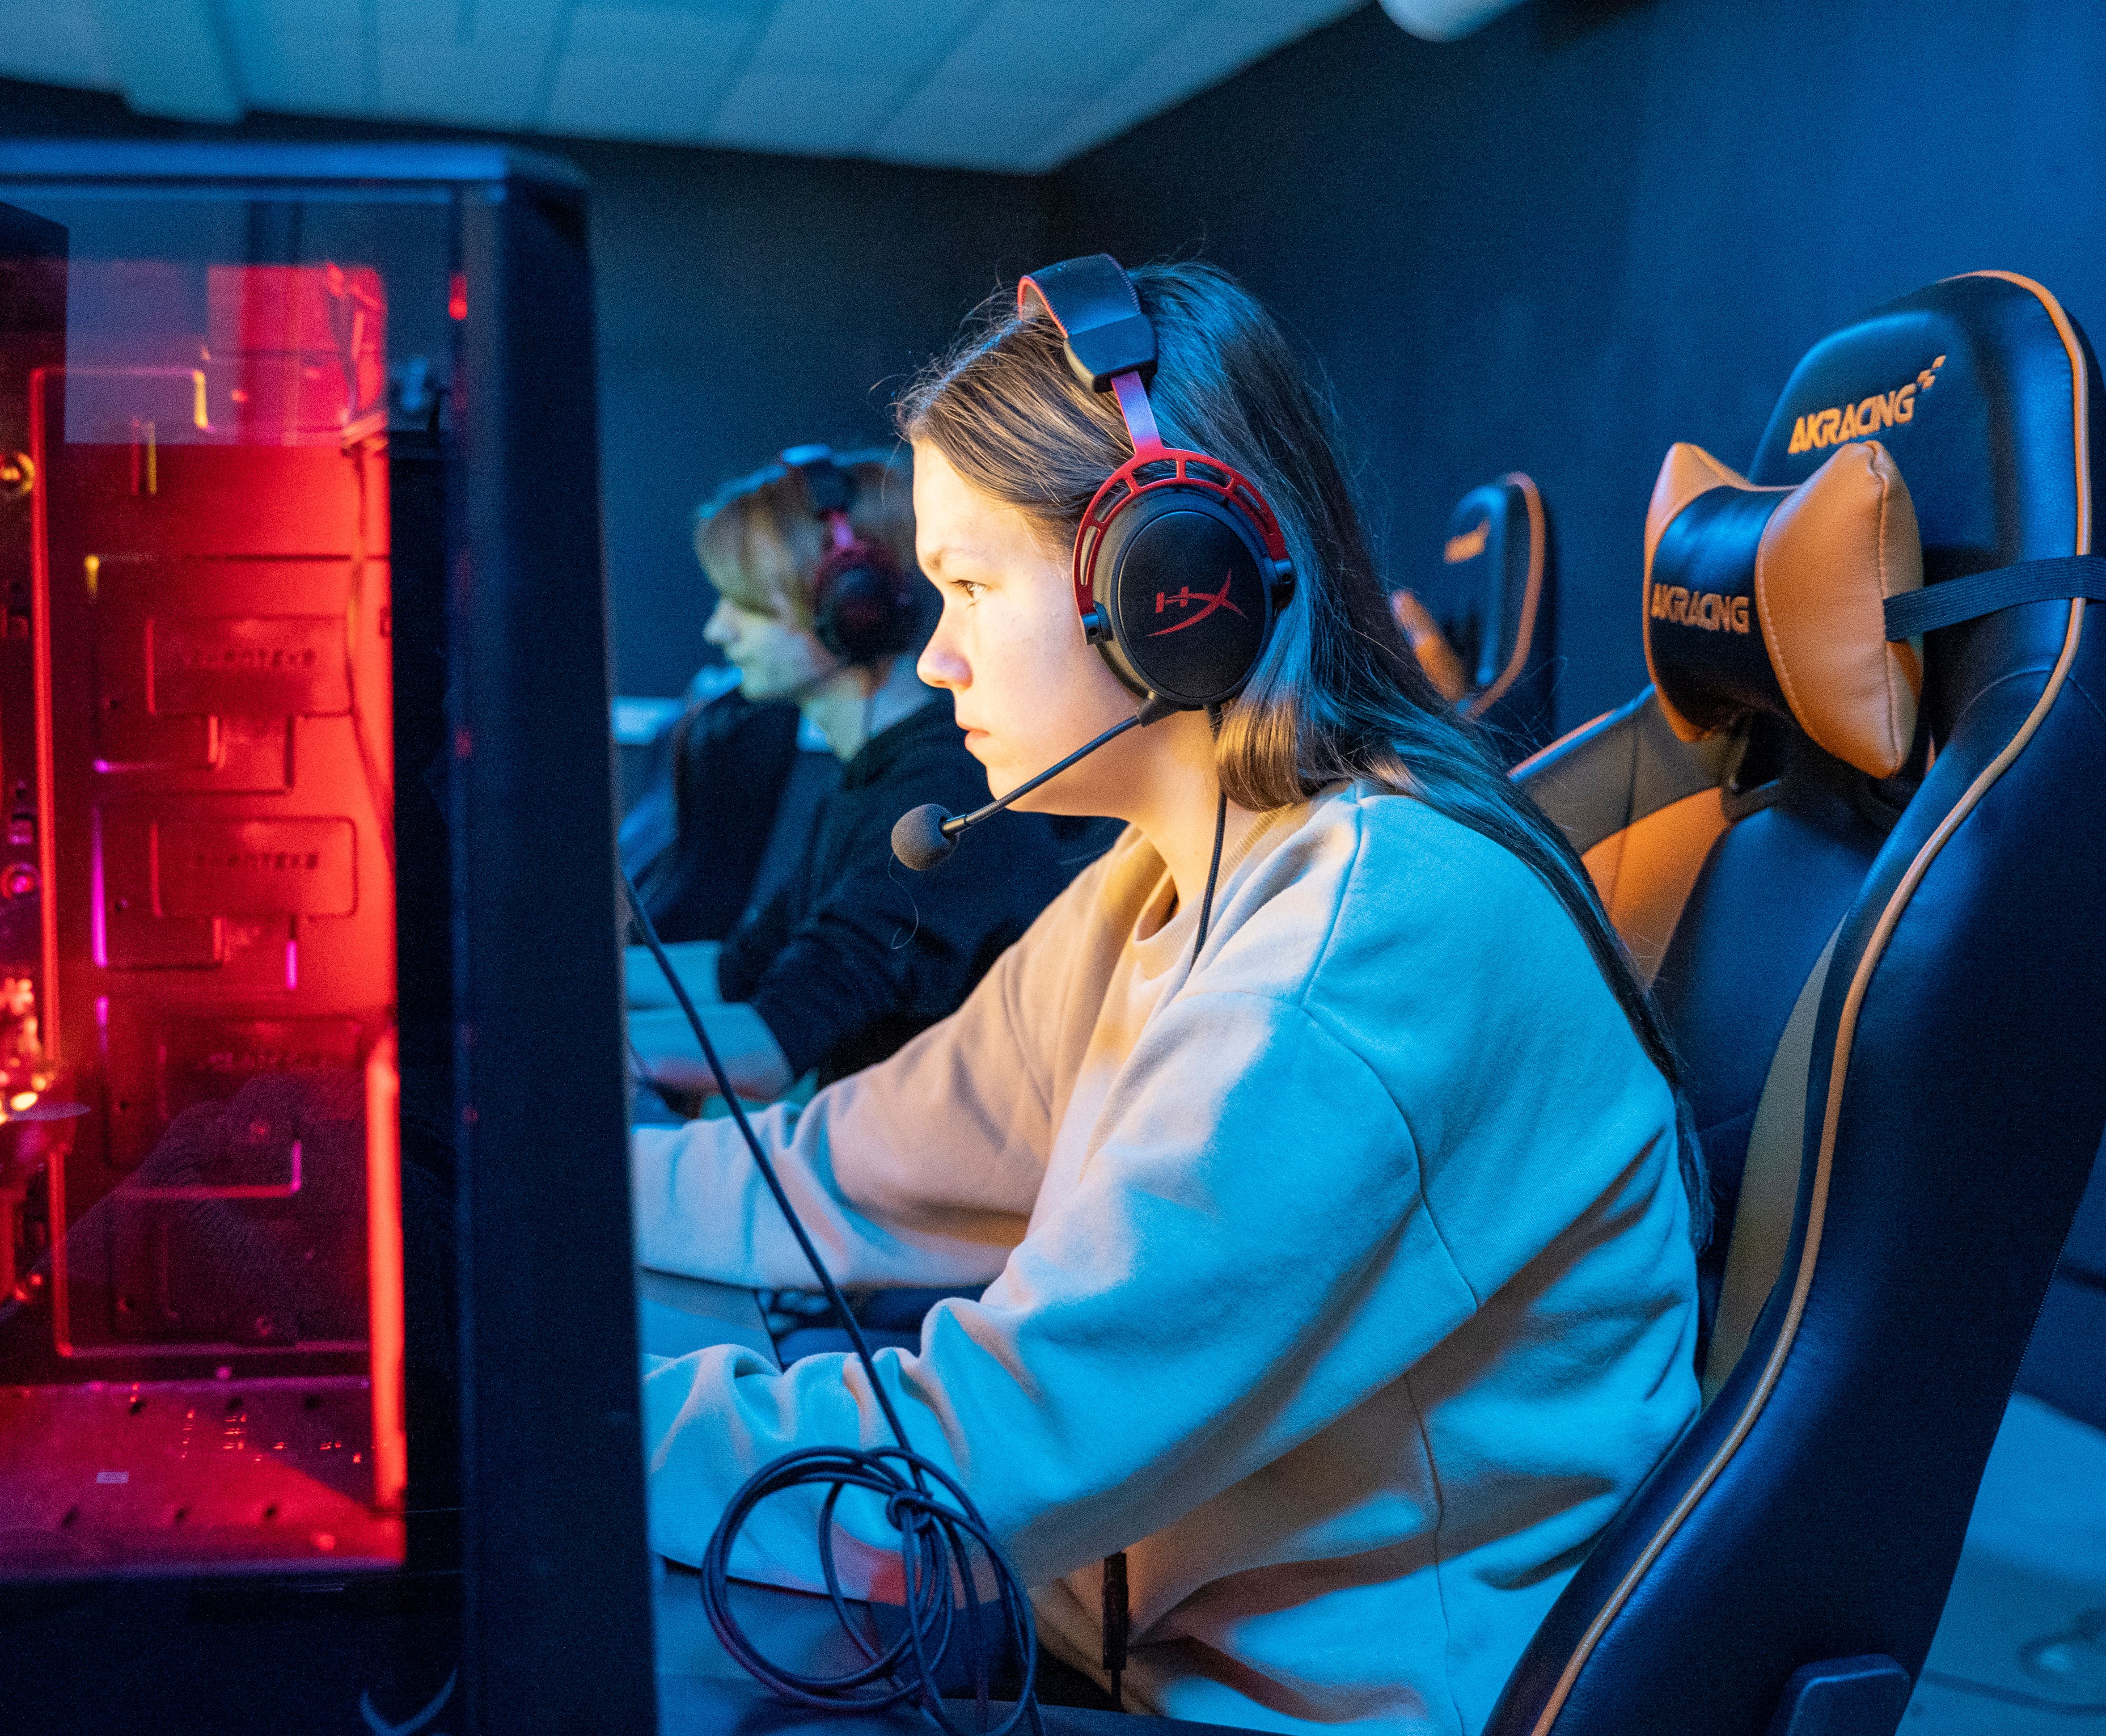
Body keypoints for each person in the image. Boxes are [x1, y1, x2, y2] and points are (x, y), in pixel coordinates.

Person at [631, 262, 1704, 1733]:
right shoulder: (1159, 879)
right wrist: (535, 1204)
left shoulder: (1357, 952)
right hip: (1120, 1635)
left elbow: (969, 1465)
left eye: (965, 586)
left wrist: (542, 1415)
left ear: (1165, 582)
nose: (933, 656)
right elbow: (835, 1169)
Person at [626, 445, 1112, 1101]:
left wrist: (560, 1040)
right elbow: (739, 975)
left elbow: (767, 1046)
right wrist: (558, 979)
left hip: (925, 1181)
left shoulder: (934, 803)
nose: (718, 629)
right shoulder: (878, 775)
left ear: (852, 609)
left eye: (747, 606)